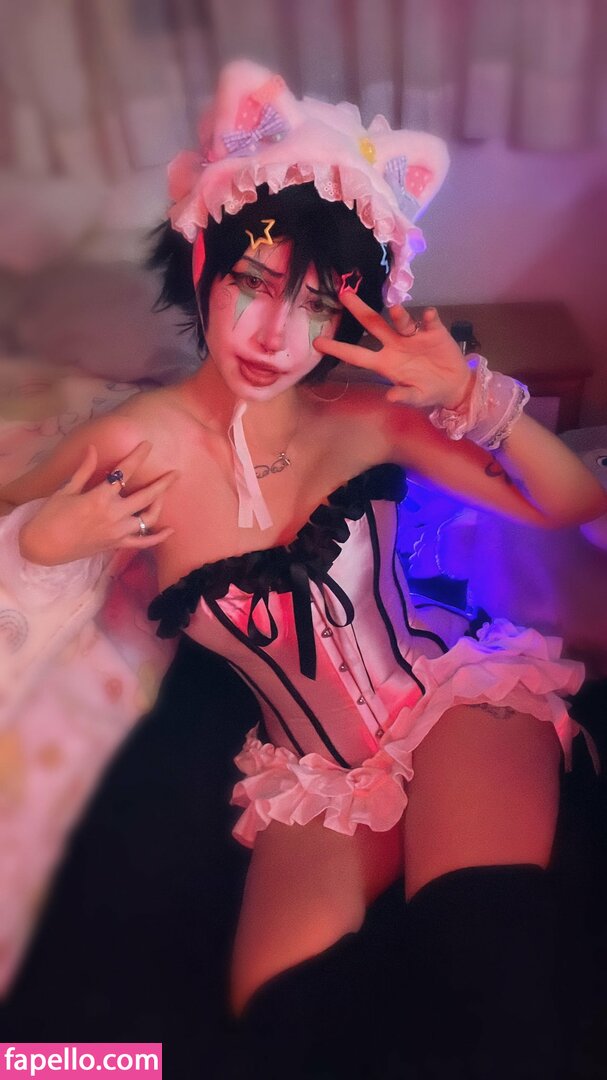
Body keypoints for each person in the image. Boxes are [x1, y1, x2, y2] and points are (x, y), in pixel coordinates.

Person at [2, 61, 605, 1078]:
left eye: (318, 304)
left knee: (487, 958)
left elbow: (575, 501)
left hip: (455, 699)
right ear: (203, 262)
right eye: (253, 283)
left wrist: (473, 392)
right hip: (310, 775)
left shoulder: (365, 416)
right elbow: (13, 525)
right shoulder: (127, 441)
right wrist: (46, 539)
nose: (277, 335)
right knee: (279, 1024)